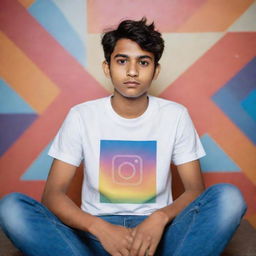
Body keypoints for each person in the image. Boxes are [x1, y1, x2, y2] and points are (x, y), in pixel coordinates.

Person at [0, 18, 247, 256]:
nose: (131, 71)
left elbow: (195, 190)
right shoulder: (82, 116)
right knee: (12, 208)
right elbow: (52, 194)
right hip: (95, 234)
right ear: (107, 67)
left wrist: (158, 219)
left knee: (229, 198)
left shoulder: (176, 116)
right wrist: (100, 228)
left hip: (158, 234)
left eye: (143, 62)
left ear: (155, 70)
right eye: (121, 61)